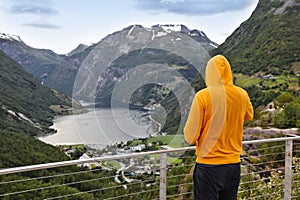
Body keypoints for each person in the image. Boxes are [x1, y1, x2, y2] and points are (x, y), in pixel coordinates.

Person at [184, 55, 253, 200]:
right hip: (233, 165)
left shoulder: (203, 96)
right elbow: (249, 115)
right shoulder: (242, 94)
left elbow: (190, 137)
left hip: (209, 166)